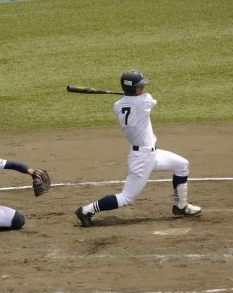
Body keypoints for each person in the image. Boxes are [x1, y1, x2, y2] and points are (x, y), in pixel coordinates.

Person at [75, 70, 202, 227]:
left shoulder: (118, 105)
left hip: (151, 154)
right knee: (126, 197)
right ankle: (87, 210)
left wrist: (129, 96)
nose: (143, 89)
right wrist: (133, 96)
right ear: (133, 89)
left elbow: (128, 102)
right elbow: (150, 100)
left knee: (182, 165)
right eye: (140, 86)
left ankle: (180, 206)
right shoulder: (144, 102)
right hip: (142, 158)